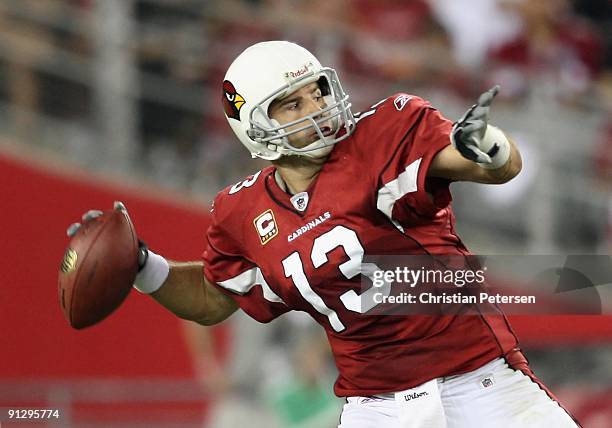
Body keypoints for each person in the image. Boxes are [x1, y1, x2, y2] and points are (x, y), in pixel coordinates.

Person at [69, 41, 580, 427]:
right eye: (291, 105)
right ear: (252, 124)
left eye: (317, 92)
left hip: (480, 378)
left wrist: (487, 146)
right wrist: (141, 265)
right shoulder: (239, 211)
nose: (316, 108)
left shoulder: (383, 133)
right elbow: (213, 298)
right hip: (376, 408)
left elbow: (492, 167)